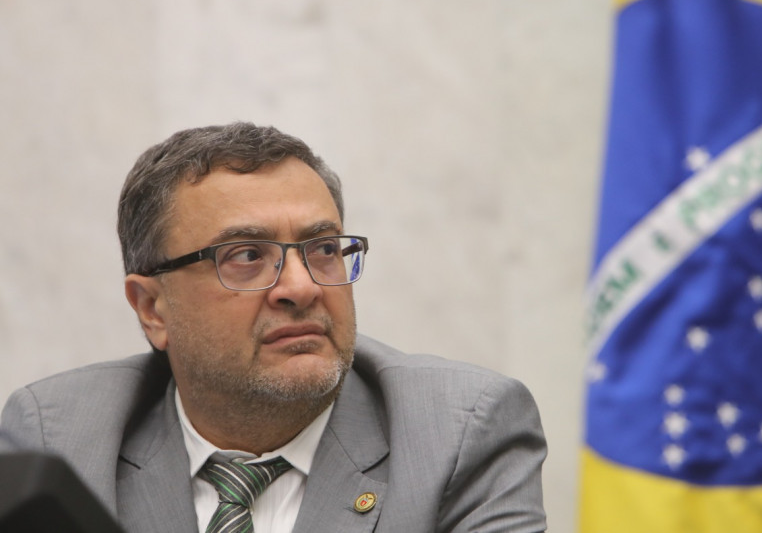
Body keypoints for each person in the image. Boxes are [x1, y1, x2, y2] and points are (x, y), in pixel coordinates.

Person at [0, 123, 547, 533]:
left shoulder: (461, 433)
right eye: (245, 256)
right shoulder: (59, 439)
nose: (302, 287)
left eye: (324, 249)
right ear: (151, 307)